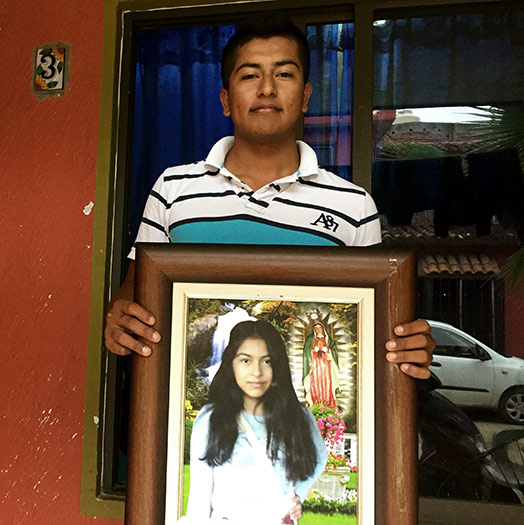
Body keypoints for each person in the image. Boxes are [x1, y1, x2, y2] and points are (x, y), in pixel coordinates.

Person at [104, 17, 435, 376]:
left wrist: (405, 346)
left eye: (284, 74)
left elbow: (374, 323)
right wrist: (121, 317)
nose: (266, 89)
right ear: (226, 101)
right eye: (249, 75)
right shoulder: (173, 189)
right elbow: (135, 293)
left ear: (305, 96)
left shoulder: (353, 206)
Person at [187, 320, 327, 523]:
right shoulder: (211, 419)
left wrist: (298, 495)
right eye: (246, 361)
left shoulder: (297, 415)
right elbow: (200, 495)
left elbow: (320, 457)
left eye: (267, 361)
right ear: (231, 363)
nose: (257, 372)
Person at [302, 322, 340, 408]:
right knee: (315, 383)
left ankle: (327, 402)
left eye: (320, 327)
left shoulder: (329, 340)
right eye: (316, 328)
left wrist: (328, 350)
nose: (318, 329)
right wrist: (312, 350)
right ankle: (315, 402)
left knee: (326, 382)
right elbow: (306, 353)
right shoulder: (310, 340)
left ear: (323, 329)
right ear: (314, 330)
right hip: (315, 366)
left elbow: (334, 352)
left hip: (326, 366)